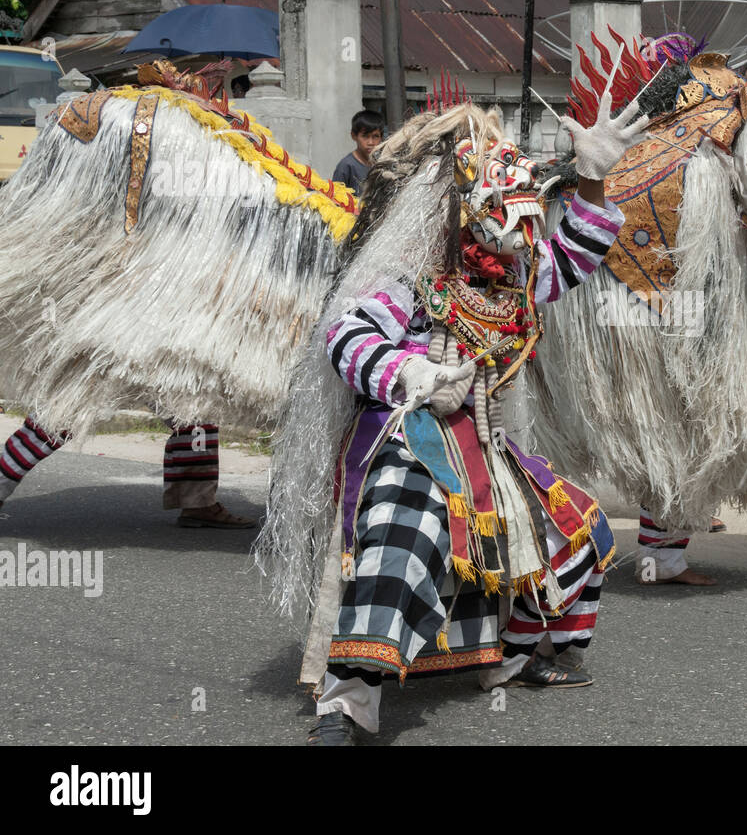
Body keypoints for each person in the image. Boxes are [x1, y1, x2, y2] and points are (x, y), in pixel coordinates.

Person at [295, 88, 648, 745]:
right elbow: (347, 335)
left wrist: (595, 183)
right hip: (411, 438)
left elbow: (571, 258)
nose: (521, 233)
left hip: (487, 445)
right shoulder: (414, 272)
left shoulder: (515, 274)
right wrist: (414, 374)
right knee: (405, 540)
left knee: (576, 534)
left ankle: (513, 658)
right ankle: (346, 705)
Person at [0, 418, 252, 527]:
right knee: (68, 409)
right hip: (118, 329)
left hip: (165, 331)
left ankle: (197, 502)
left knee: (194, 409)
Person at [331, 109, 384, 192]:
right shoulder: (346, 166)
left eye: (375, 136)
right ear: (354, 136)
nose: (370, 142)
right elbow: (335, 198)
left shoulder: (382, 164)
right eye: (365, 136)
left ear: (381, 137)